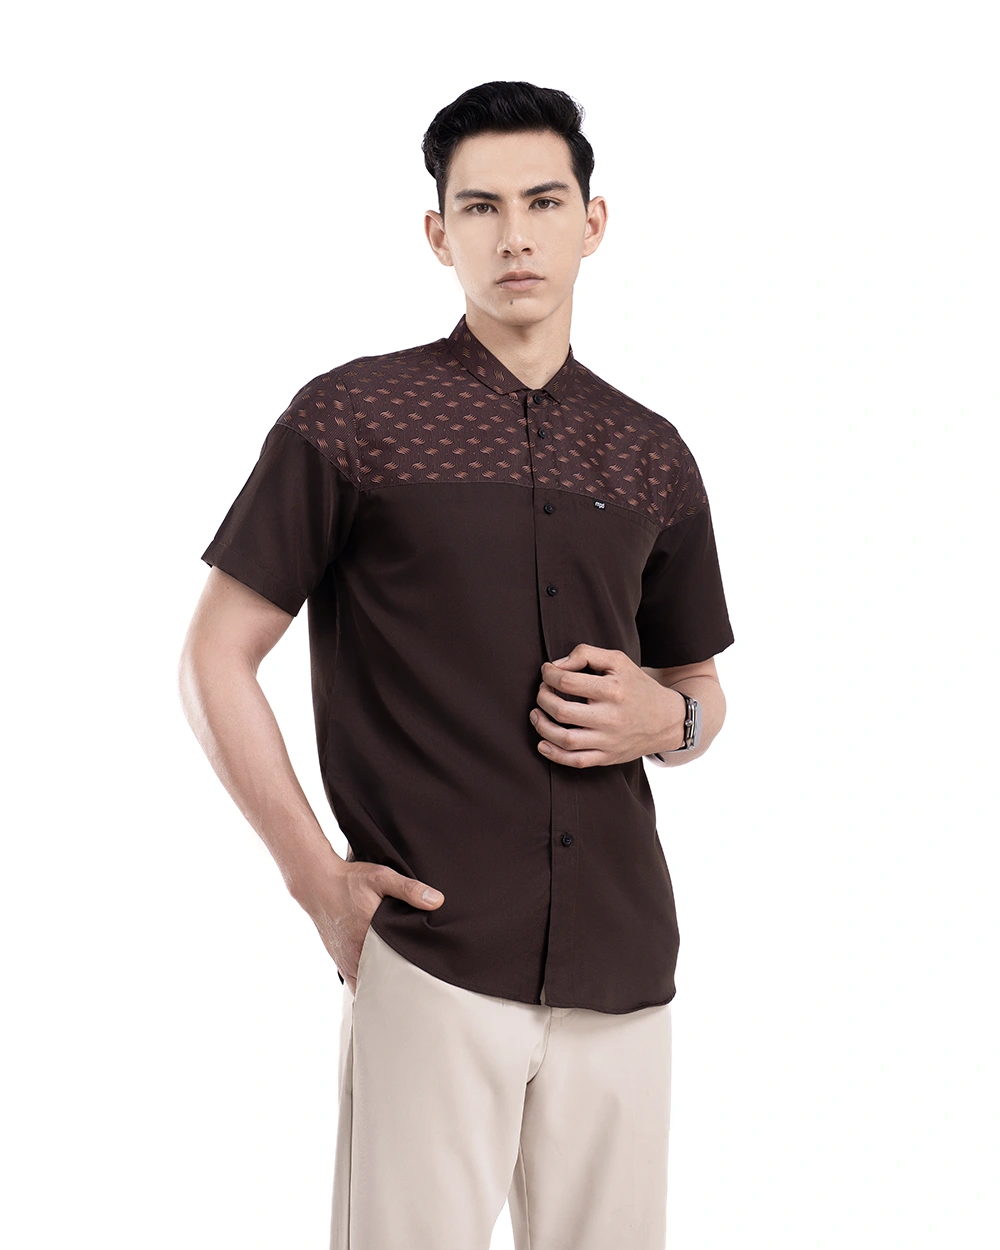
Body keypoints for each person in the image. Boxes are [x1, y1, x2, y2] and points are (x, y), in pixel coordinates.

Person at [179, 80, 735, 1250]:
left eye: (543, 201)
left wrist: (669, 721)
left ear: (593, 221)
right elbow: (214, 656)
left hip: (624, 958)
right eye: (480, 207)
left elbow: (697, 691)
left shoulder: (651, 452)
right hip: (433, 951)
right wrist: (316, 879)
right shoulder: (352, 418)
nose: (514, 234)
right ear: (439, 233)